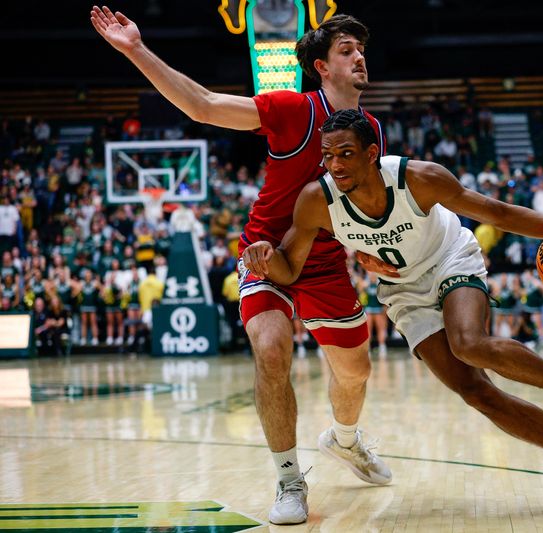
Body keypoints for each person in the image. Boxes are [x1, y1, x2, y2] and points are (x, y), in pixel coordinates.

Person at [245, 110, 543, 512]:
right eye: (327, 156)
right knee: (478, 394)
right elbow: (289, 266)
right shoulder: (317, 200)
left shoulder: (418, 178)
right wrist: (264, 258)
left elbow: (499, 213)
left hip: (449, 258)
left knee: (469, 343)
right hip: (403, 289)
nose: (334, 165)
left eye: (345, 154)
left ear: (371, 153)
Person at [90, 6, 390, 525]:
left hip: (323, 262)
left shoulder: (370, 129)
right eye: (347, 50)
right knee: (271, 351)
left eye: (361, 49)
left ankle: (344, 441)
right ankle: (289, 479)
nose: (360, 56)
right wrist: (136, 49)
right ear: (321, 66)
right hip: (265, 253)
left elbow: (362, 203)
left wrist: (371, 249)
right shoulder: (292, 109)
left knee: (356, 372)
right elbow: (202, 104)